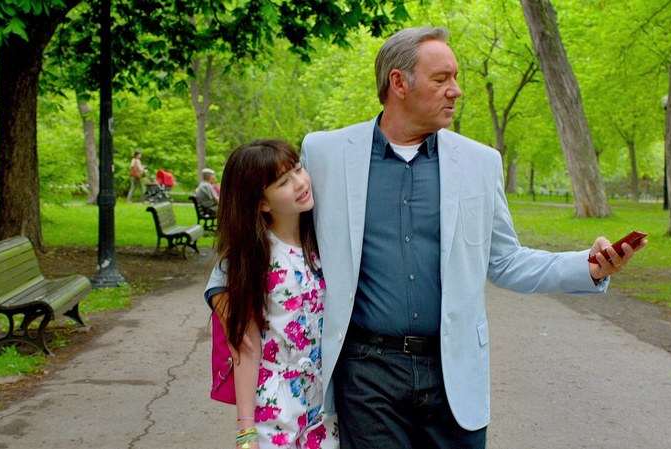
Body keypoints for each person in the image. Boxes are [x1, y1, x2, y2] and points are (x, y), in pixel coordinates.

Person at [299, 26, 646, 448]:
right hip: (366, 375)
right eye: (441, 79)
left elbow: (505, 261)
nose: (456, 90)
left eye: (456, 77)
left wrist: (587, 268)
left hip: (454, 373)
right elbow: (281, 235)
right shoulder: (325, 154)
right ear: (399, 83)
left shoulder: (480, 163)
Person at [204, 139, 338, 449]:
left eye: (298, 170)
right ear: (262, 203)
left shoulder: (322, 242)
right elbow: (246, 348)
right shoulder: (252, 261)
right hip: (276, 402)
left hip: (325, 400)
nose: (300, 183)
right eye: (283, 182)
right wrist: (246, 429)